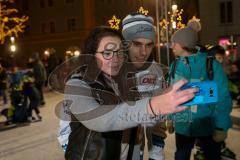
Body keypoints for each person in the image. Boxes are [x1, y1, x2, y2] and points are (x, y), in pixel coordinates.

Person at [54, 26, 197, 160]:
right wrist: (153, 106)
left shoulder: (125, 82)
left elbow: (138, 119)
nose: (115, 59)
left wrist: (161, 105)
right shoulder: (77, 85)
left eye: (120, 53)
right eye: (107, 53)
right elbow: (99, 119)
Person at [170, 19, 232, 160]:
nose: (171, 46)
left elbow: (222, 98)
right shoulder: (175, 65)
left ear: (184, 44)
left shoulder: (211, 65)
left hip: (207, 126)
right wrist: (170, 118)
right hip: (182, 125)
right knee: (180, 156)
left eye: (174, 42)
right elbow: (171, 93)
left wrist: (221, 126)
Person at [120, 13, 169, 160]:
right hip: (119, 145)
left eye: (149, 45)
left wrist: (157, 145)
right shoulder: (111, 68)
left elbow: (160, 110)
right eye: (137, 44)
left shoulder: (155, 70)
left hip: (141, 143)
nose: (144, 52)